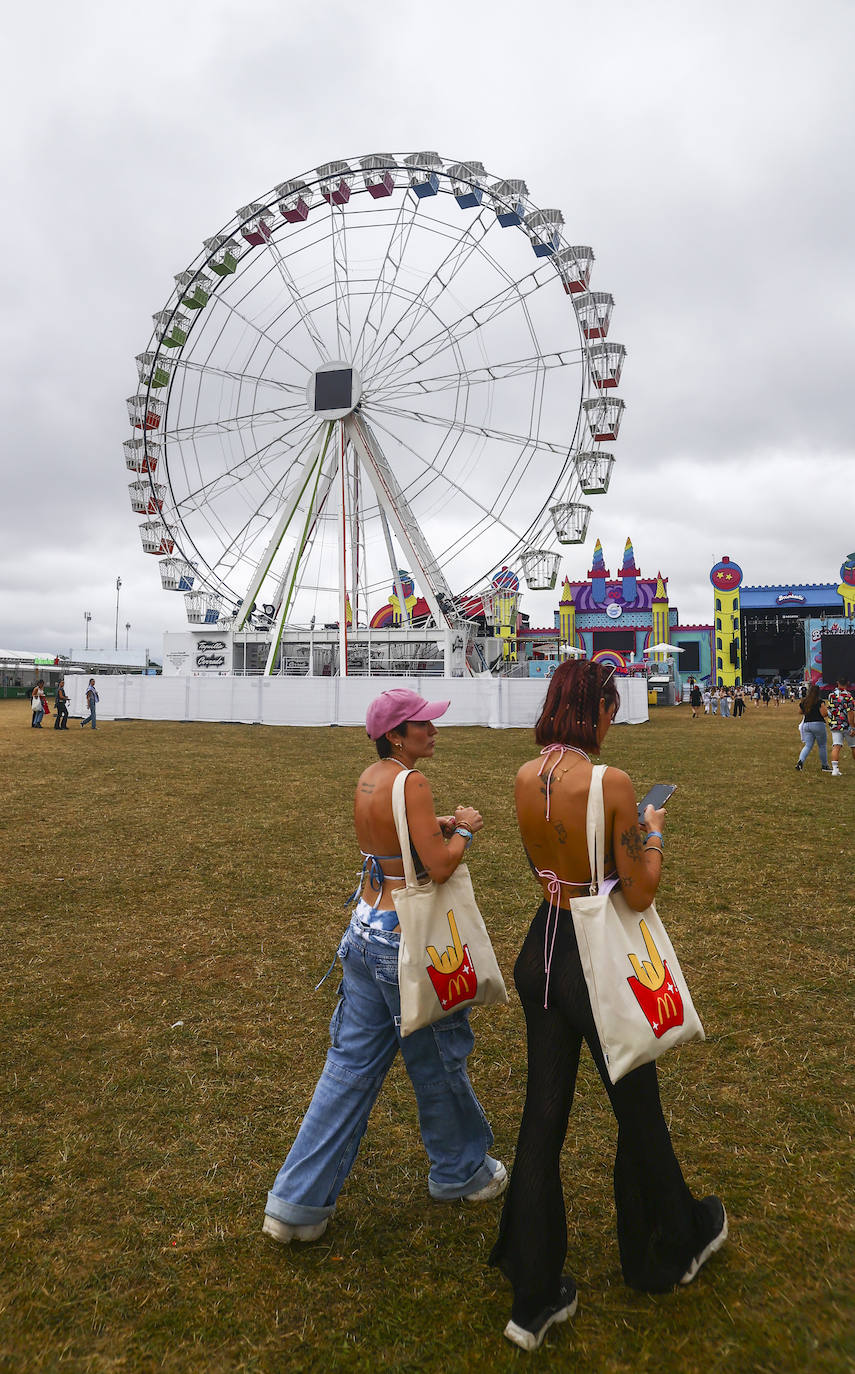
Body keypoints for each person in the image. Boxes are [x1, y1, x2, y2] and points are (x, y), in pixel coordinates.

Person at [489, 659, 726, 1352]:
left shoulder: (524, 776)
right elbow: (640, 889)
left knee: (543, 1116)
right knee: (636, 1104)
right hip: (593, 954)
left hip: (543, 944)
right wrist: (652, 832)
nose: (612, 720)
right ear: (593, 709)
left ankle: (532, 1294)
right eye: (610, 708)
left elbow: (544, 866)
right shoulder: (610, 783)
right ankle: (670, 1246)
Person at [263, 687, 506, 1247]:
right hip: (409, 942)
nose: (434, 730)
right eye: (424, 723)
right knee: (440, 1055)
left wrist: (433, 825)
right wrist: (464, 826)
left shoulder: (372, 779)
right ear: (397, 734)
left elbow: (390, 847)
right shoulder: (413, 782)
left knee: (348, 1067)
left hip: (365, 930)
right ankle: (461, 1169)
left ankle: (296, 1203)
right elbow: (440, 868)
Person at [795, 684, 830, 772]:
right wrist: (828, 710)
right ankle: (824, 766)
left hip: (806, 725)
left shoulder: (804, 701)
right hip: (818, 724)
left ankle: (800, 762)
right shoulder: (820, 701)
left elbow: (800, 712)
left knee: (808, 745)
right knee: (822, 746)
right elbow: (824, 714)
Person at [825, 678, 855, 776]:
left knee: (836, 746)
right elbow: (850, 712)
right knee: (853, 746)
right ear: (848, 683)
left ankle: (835, 769)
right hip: (846, 725)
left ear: (837, 682)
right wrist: (852, 726)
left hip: (835, 724)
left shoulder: (831, 695)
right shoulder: (848, 696)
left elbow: (829, 709)